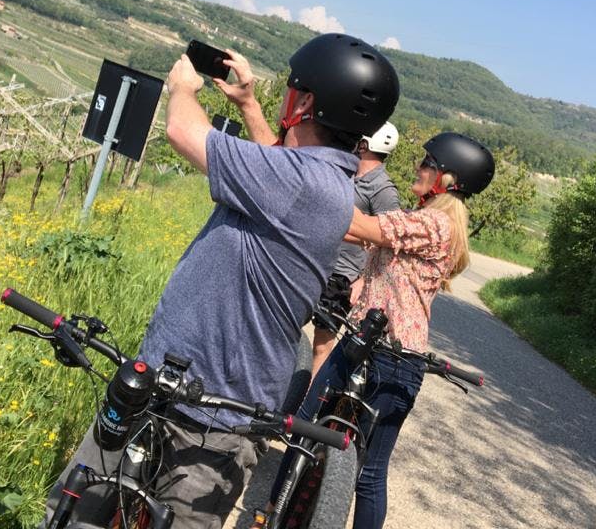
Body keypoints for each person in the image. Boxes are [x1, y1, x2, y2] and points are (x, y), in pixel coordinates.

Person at [38, 34, 400, 529]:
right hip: (169, 390)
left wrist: (182, 88)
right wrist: (250, 104)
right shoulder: (318, 180)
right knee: (74, 513)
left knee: (76, 516)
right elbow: (277, 159)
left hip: (212, 420)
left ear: (307, 101)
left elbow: (183, 132)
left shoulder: (301, 183)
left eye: (293, 89)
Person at [257, 131, 495, 529]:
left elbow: (364, 227)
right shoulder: (421, 221)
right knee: (338, 452)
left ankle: (271, 516)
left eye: (427, 164)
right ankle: (276, 514)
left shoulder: (435, 225)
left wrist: (313, 179)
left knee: (336, 453)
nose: (418, 169)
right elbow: (353, 232)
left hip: (387, 357)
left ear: (449, 180)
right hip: (376, 348)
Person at [310, 122, 401, 381]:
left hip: (343, 274)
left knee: (322, 341)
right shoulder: (348, 172)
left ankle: (306, 403)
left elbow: (387, 240)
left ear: (365, 144)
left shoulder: (383, 191)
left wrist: (363, 280)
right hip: (317, 261)